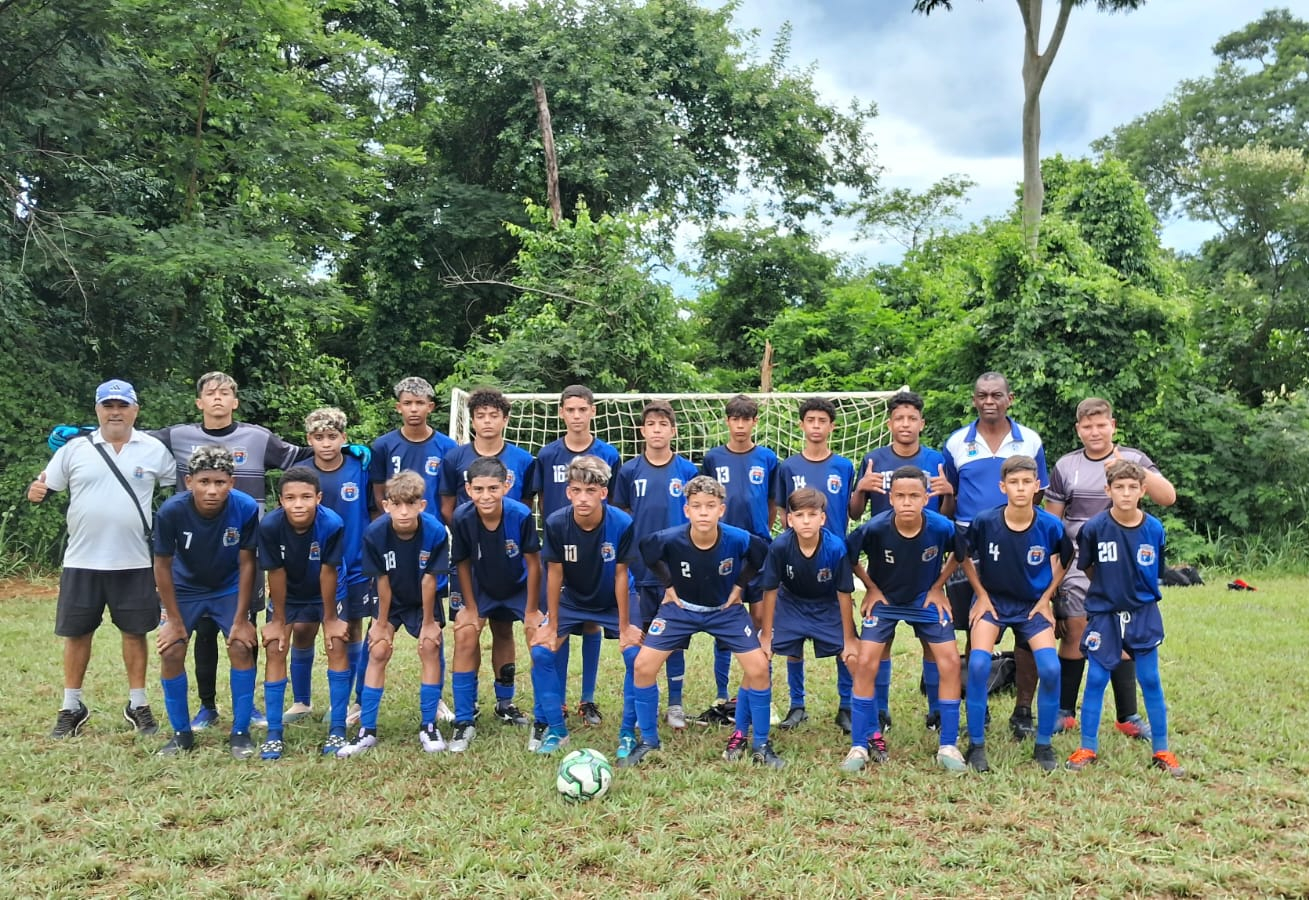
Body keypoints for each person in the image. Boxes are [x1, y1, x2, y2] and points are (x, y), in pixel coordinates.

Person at [51, 371, 315, 732]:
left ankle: (247, 706)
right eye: (211, 393)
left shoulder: (258, 436)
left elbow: (300, 458)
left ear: (235, 401)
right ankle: (206, 706)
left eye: (226, 393)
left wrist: (347, 453)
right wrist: (83, 434)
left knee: (242, 631)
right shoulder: (176, 436)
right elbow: (127, 438)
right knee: (202, 635)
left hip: (241, 549)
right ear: (199, 402)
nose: (218, 398)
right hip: (194, 555)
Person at [28, 379, 177, 739]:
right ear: (97, 410)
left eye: (122, 406)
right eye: (108, 406)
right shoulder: (75, 448)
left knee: (135, 632)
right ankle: (71, 706)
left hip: (134, 560)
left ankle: (138, 703)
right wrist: (36, 489)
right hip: (82, 559)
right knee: (77, 634)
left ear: (135, 410)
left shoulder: (153, 449)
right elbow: (45, 486)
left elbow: (178, 489)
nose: (115, 412)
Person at [1045, 397, 1176, 740]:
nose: (1095, 432)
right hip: (1079, 561)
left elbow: (1167, 497)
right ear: (1078, 430)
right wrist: (1053, 574)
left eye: (1101, 425)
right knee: (1076, 627)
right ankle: (1064, 710)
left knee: (1124, 633)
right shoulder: (1066, 465)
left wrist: (1135, 470)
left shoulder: (1133, 460)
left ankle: (1127, 715)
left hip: (1126, 565)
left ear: (1113, 426)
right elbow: (1052, 523)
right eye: (1087, 426)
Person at [624, 476, 774, 769]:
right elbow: (646, 550)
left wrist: (739, 586)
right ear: (687, 510)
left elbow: (760, 553)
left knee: (759, 668)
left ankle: (761, 744)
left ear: (721, 510)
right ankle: (649, 741)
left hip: (724, 611)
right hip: (680, 610)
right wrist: (667, 583)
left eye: (710, 506)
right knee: (643, 666)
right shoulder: (669, 538)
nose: (703, 512)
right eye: (697, 506)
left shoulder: (737, 537)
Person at [940, 372, 1047, 738]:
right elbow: (948, 497)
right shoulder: (956, 442)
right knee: (977, 627)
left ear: (1009, 398)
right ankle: (978, 709)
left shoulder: (1030, 440)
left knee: (1027, 633)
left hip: (1022, 546)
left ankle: (1022, 712)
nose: (989, 401)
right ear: (974, 400)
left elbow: (1041, 494)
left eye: (996, 395)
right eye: (982, 395)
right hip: (974, 547)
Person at [1065, 460, 1183, 777]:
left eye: (1133, 487)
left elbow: (1155, 572)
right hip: (1104, 613)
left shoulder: (1154, 528)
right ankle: (1087, 747)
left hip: (1143, 613)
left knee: (1150, 680)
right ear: (1108, 490)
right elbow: (1089, 568)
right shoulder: (1094, 529)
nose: (1126, 493)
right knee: (1096, 680)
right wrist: (1109, 591)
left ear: (1143, 491)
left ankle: (1162, 750)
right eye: (1119, 487)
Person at [846, 389, 953, 735]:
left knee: (931, 642)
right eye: (899, 418)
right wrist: (861, 488)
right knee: (882, 643)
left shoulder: (936, 458)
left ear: (921, 423)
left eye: (912, 418)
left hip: (926, 563)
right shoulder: (874, 458)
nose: (905, 424)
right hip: (885, 563)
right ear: (889, 423)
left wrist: (949, 493)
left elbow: (948, 515)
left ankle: (937, 711)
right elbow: (855, 513)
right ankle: (880, 711)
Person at [843, 466, 963, 772]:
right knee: (865, 661)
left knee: (949, 660)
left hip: (924, 599)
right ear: (890, 499)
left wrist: (938, 587)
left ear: (926, 498)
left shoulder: (941, 527)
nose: (906, 502)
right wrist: (870, 588)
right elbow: (850, 558)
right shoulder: (874, 528)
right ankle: (859, 745)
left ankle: (948, 745)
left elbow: (960, 555)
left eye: (914, 496)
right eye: (899, 496)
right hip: (887, 600)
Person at [959, 455, 1072, 773]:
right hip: (993, 603)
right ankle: (976, 745)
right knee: (979, 663)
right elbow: (963, 556)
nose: (1020, 488)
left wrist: (1047, 599)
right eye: (1014, 482)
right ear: (1002, 486)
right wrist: (980, 595)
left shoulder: (1050, 524)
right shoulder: (985, 521)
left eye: (1027, 482)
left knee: (1050, 668)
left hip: (1031, 606)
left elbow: (1066, 559)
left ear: (1037, 486)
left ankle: (1044, 745)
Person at [152, 446, 260, 757]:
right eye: (204, 482)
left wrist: (242, 619)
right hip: (185, 589)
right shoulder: (171, 511)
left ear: (232, 483)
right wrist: (172, 620)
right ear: (189, 482)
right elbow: (161, 565)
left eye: (220, 482)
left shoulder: (246, 507)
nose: (212, 490)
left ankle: (240, 732)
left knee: (241, 646)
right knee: (171, 651)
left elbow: (247, 563)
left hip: (228, 587)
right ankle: (181, 733)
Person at [439, 387, 537, 729]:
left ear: (505, 420)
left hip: (509, 564)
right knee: (467, 630)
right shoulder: (454, 458)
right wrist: (475, 535)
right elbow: (447, 505)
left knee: (504, 629)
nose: (487, 421)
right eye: (480, 415)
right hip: (472, 560)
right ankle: (467, 709)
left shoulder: (523, 459)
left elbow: (524, 510)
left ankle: (505, 702)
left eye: (494, 415)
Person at [530, 456, 640, 756]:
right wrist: (552, 623)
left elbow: (620, 574)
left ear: (603, 493)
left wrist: (625, 626)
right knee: (540, 651)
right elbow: (554, 572)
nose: (583, 498)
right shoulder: (555, 522)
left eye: (590, 491)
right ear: (568, 492)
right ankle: (556, 730)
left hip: (613, 598)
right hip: (573, 598)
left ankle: (628, 733)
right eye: (576, 490)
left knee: (635, 657)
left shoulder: (622, 522)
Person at [338, 471, 450, 756]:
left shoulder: (435, 531)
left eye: (410, 504)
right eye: (396, 504)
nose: (403, 511)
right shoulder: (375, 533)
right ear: (386, 505)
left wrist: (428, 623)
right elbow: (381, 581)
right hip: (390, 597)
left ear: (421, 506)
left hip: (421, 598)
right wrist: (380, 623)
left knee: (429, 646)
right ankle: (367, 730)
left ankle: (429, 726)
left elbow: (430, 581)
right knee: (378, 649)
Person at [531, 385, 621, 733]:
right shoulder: (548, 454)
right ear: (561, 413)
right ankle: (561, 701)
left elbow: (609, 504)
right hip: (558, 550)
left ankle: (587, 698)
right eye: (570, 409)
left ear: (593, 412)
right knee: (559, 623)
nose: (577, 415)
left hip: (595, 551)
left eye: (583, 409)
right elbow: (540, 501)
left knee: (592, 622)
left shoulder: (608, 453)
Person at [369, 376, 458, 723]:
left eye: (420, 403)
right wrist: (386, 531)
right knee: (377, 630)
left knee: (432, 624)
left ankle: (435, 700)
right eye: (407, 403)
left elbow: (449, 496)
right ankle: (363, 700)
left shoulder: (448, 447)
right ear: (398, 407)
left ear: (431, 407)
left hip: (431, 545)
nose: (414, 409)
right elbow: (377, 496)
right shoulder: (383, 446)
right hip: (392, 543)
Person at [610, 400, 699, 730]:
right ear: (642, 431)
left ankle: (675, 705)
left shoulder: (688, 471)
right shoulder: (630, 471)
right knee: (638, 638)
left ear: (673, 431)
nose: (657, 430)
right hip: (637, 568)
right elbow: (620, 517)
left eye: (664, 424)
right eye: (652, 424)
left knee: (673, 639)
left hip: (675, 571)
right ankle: (636, 704)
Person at [772, 397, 856, 734]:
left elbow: (851, 509)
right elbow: (782, 510)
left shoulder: (845, 466)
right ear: (802, 425)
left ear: (832, 426)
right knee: (793, 646)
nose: (817, 425)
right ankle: (797, 704)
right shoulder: (788, 467)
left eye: (823, 420)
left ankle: (846, 706)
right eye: (811, 420)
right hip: (798, 564)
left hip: (833, 561)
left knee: (843, 642)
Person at [449, 457, 543, 752]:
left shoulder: (521, 515)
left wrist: (531, 610)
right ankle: (464, 719)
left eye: (493, 488)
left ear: (507, 486)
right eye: (478, 489)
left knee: (534, 637)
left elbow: (534, 563)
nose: (486, 495)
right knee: (465, 633)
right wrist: (471, 606)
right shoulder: (462, 517)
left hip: (517, 585)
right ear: (468, 488)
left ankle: (531, 714)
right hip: (480, 585)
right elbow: (462, 563)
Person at [255, 467, 348, 759]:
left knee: (336, 642)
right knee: (275, 645)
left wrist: (331, 618)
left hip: (325, 590)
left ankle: (338, 728)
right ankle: (274, 732)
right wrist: (279, 620)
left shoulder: (332, 523)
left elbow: (328, 571)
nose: (298, 504)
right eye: (290, 497)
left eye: (306, 497)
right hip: (289, 591)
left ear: (318, 498)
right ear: (280, 500)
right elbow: (276, 573)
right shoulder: (270, 526)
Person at [758, 487, 858, 758]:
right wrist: (766, 635)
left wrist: (849, 639)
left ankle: (846, 707)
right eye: (799, 515)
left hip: (827, 604)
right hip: (791, 602)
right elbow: (769, 590)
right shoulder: (780, 546)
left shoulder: (835, 547)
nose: (805, 521)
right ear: (789, 519)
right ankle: (796, 706)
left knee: (848, 654)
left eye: (812, 515)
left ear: (822, 518)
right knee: (770, 653)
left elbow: (844, 593)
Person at [702, 394, 779, 723]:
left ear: (754, 423)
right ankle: (723, 696)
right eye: (735, 419)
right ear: (727, 421)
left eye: (746, 419)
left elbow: (773, 503)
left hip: (758, 548)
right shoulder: (713, 458)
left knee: (762, 622)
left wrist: (762, 533)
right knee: (725, 618)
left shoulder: (767, 458)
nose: (740, 425)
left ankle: (762, 694)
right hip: (724, 549)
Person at [302, 407, 372, 726]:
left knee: (351, 627)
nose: (326, 443)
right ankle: (302, 701)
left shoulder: (360, 466)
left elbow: (374, 507)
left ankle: (350, 701)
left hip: (355, 562)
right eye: (319, 437)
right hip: (309, 566)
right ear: (309, 440)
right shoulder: (302, 472)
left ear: (344, 438)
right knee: (304, 628)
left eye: (332, 437)